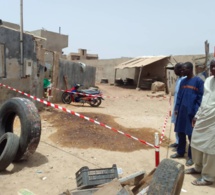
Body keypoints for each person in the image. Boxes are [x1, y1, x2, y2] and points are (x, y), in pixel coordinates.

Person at [185, 60, 215, 186]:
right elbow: (204, 100)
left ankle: (208, 177)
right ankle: (198, 167)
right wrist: (197, 115)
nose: (214, 69)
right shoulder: (208, 81)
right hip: (203, 117)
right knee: (196, 142)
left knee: (210, 149)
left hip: (213, 121)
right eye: (212, 67)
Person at [170, 62, 204, 166]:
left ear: (190, 69)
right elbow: (179, 96)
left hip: (192, 113)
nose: (182, 71)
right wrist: (176, 108)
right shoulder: (183, 81)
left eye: (184, 69)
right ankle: (180, 152)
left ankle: (191, 156)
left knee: (191, 135)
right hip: (181, 112)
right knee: (180, 132)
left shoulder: (198, 81)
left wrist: (196, 112)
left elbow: (200, 98)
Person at [169, 62, 186, 149]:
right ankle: (177, 141)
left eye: (175, 69)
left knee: (181, 126)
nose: (174, 71)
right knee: (176, 124)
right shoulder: (179, 79)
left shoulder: (184, 79)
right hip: (176, 105)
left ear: (179, 70)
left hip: (181, 107)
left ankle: (182, 145)